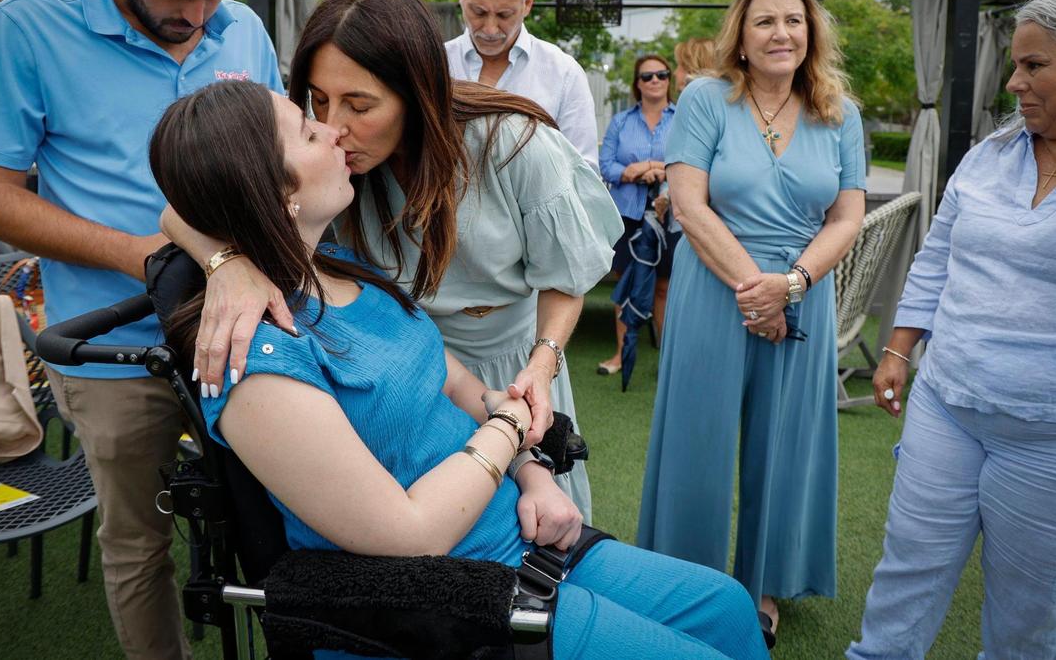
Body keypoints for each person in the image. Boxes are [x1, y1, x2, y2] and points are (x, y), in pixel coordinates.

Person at [147, 78, 769, 660]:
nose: (334, 130)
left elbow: (460, 384)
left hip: (520, 532)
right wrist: (509, 430)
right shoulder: (257, 366)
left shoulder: (333, 265)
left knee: (726, 608)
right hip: (452, 598)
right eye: (309, 132)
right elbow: (412, 533)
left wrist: (533, 474)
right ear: (278, 195)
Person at [0, 0, 279, 656]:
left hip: (238, 334)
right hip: (107, 350)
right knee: (139, 541)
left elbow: (272, 169)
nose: (196, 18)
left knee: (275, 524)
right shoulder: (28, 28)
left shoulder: (246, 32)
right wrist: (154, 260)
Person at [164, 0, 620, 523]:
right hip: (408, 368)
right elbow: (179, 210)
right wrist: (226, 264)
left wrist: (542, 365)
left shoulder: (511, 141)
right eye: (320, 101)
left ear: (416, 92)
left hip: (516, 364)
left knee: (547, 524)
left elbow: (566, 277)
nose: (334, 128)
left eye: (359, 104)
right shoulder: (337, 174)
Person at [847, 0, 1056, 660]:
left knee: (1026, 623)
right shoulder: (992, 155)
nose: (1014, 82)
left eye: (1034, 66)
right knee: (905, 578)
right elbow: (935, 259)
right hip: (947, 406)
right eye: (1014, 65)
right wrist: (898, 350)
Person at [636, 0, 865, 634]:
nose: (781, 33)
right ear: (741, 34)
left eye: (794, 20)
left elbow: (847, 219)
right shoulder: (708, 98)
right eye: (765, 20)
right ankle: (687, 584)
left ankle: (763, 585)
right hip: (715, 288)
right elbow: (688, 203)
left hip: (803, 291)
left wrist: (789, 286)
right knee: (696, 439)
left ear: (811, 32)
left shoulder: (839, 111)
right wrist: (754, 291)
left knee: (785, 444)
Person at [445, 0, 600, 170]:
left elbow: (583, 172)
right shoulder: (435, 62)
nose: (490, 29)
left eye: (504, 15)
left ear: (527, 2)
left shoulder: (563, 73)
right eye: (478, 12)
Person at [596, 54, 678, 376]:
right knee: (627, 284)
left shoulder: (682, 118)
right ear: (637, 84)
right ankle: (620, 354)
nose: (655, 80)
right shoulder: (620, 121)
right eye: (647, 76)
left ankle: (667, 361)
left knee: (664, 287)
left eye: (661, 74)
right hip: (627, 213)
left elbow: (688, 162)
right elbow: (606, 166)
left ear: (669, 79)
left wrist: (649, 168)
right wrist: (639, 172)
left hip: (669, 213)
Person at [651, 38, 719, 231]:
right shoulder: (727, 102)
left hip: (694, 223)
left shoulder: (693, 100)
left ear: (693, 67)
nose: (675, 73)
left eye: (680, 66)